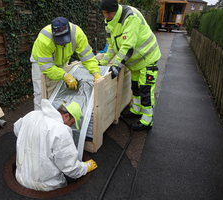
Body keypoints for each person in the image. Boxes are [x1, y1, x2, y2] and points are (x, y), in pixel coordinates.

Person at [99, 0, 161, 131]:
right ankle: (136, 110)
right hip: (135, 62)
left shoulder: (130, 16)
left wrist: (116, 65)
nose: (106, 16)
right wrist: (103, 63)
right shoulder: (110, 21)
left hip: (147, 57)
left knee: (145, 90)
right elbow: (112, 46)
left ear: (115, 9)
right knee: (135, 87)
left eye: (109, 13)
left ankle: (147, 121)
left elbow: (128, 46)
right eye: (104, 13)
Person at [14, 99, 97, 191]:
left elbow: (17, 129)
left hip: (20, 177)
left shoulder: (32, 115)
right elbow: (70, 167)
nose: (70, 126)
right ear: (66, 116)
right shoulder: (61, 131)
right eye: (72, 123)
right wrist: (85, 167)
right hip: (46, 186)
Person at [30, 17, 102, 110]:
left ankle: (57, 116)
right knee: (40, 93)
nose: (63, 44)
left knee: (59, 89)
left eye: (65, 40)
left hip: (62, 61)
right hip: (40, 62)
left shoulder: (77, 34)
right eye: (59, 41)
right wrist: (65, 75)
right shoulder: (44, 39)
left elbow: (87, 57)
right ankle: (40, 121)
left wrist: (96, 72)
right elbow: (47, 67)